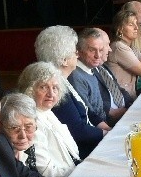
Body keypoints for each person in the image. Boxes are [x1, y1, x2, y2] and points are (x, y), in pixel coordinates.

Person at [34, 25, 105, 157]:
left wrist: (107, 128)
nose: (77, 55)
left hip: (95, 140)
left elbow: (88, 112)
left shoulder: (65, 81)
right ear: (64, 60)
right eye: (75, 52)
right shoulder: (54, 90)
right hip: (87, 152)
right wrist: (106, 134)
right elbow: (78, 130)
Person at [17, 62, 81, 177]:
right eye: (43, 87)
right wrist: (80, 176)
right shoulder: (30, 121)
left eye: (55, 88)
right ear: (29, 90)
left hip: (73, 173)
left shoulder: (47, 112)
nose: (51, 94)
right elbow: (46, 171)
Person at [69, 27, 132, 128]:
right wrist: (108, 131)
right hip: (101, 129)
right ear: (79, 52)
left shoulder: (91, 68)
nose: (98, 55)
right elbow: (90, 115)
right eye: (92, 50)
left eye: (101, 50)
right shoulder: (76, 76)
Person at [107, 9, 141, 100]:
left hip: (130, 96)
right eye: (131, 25)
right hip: (121, 100)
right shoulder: (119, 47)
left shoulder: (131, 47)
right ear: (120, 29)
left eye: (136, 24)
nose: (136, 28)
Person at [0, 93, 39, 172]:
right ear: (0, 127)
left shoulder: (30, 148)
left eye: (28, 127)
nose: (23, 136)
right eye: (14, 128)